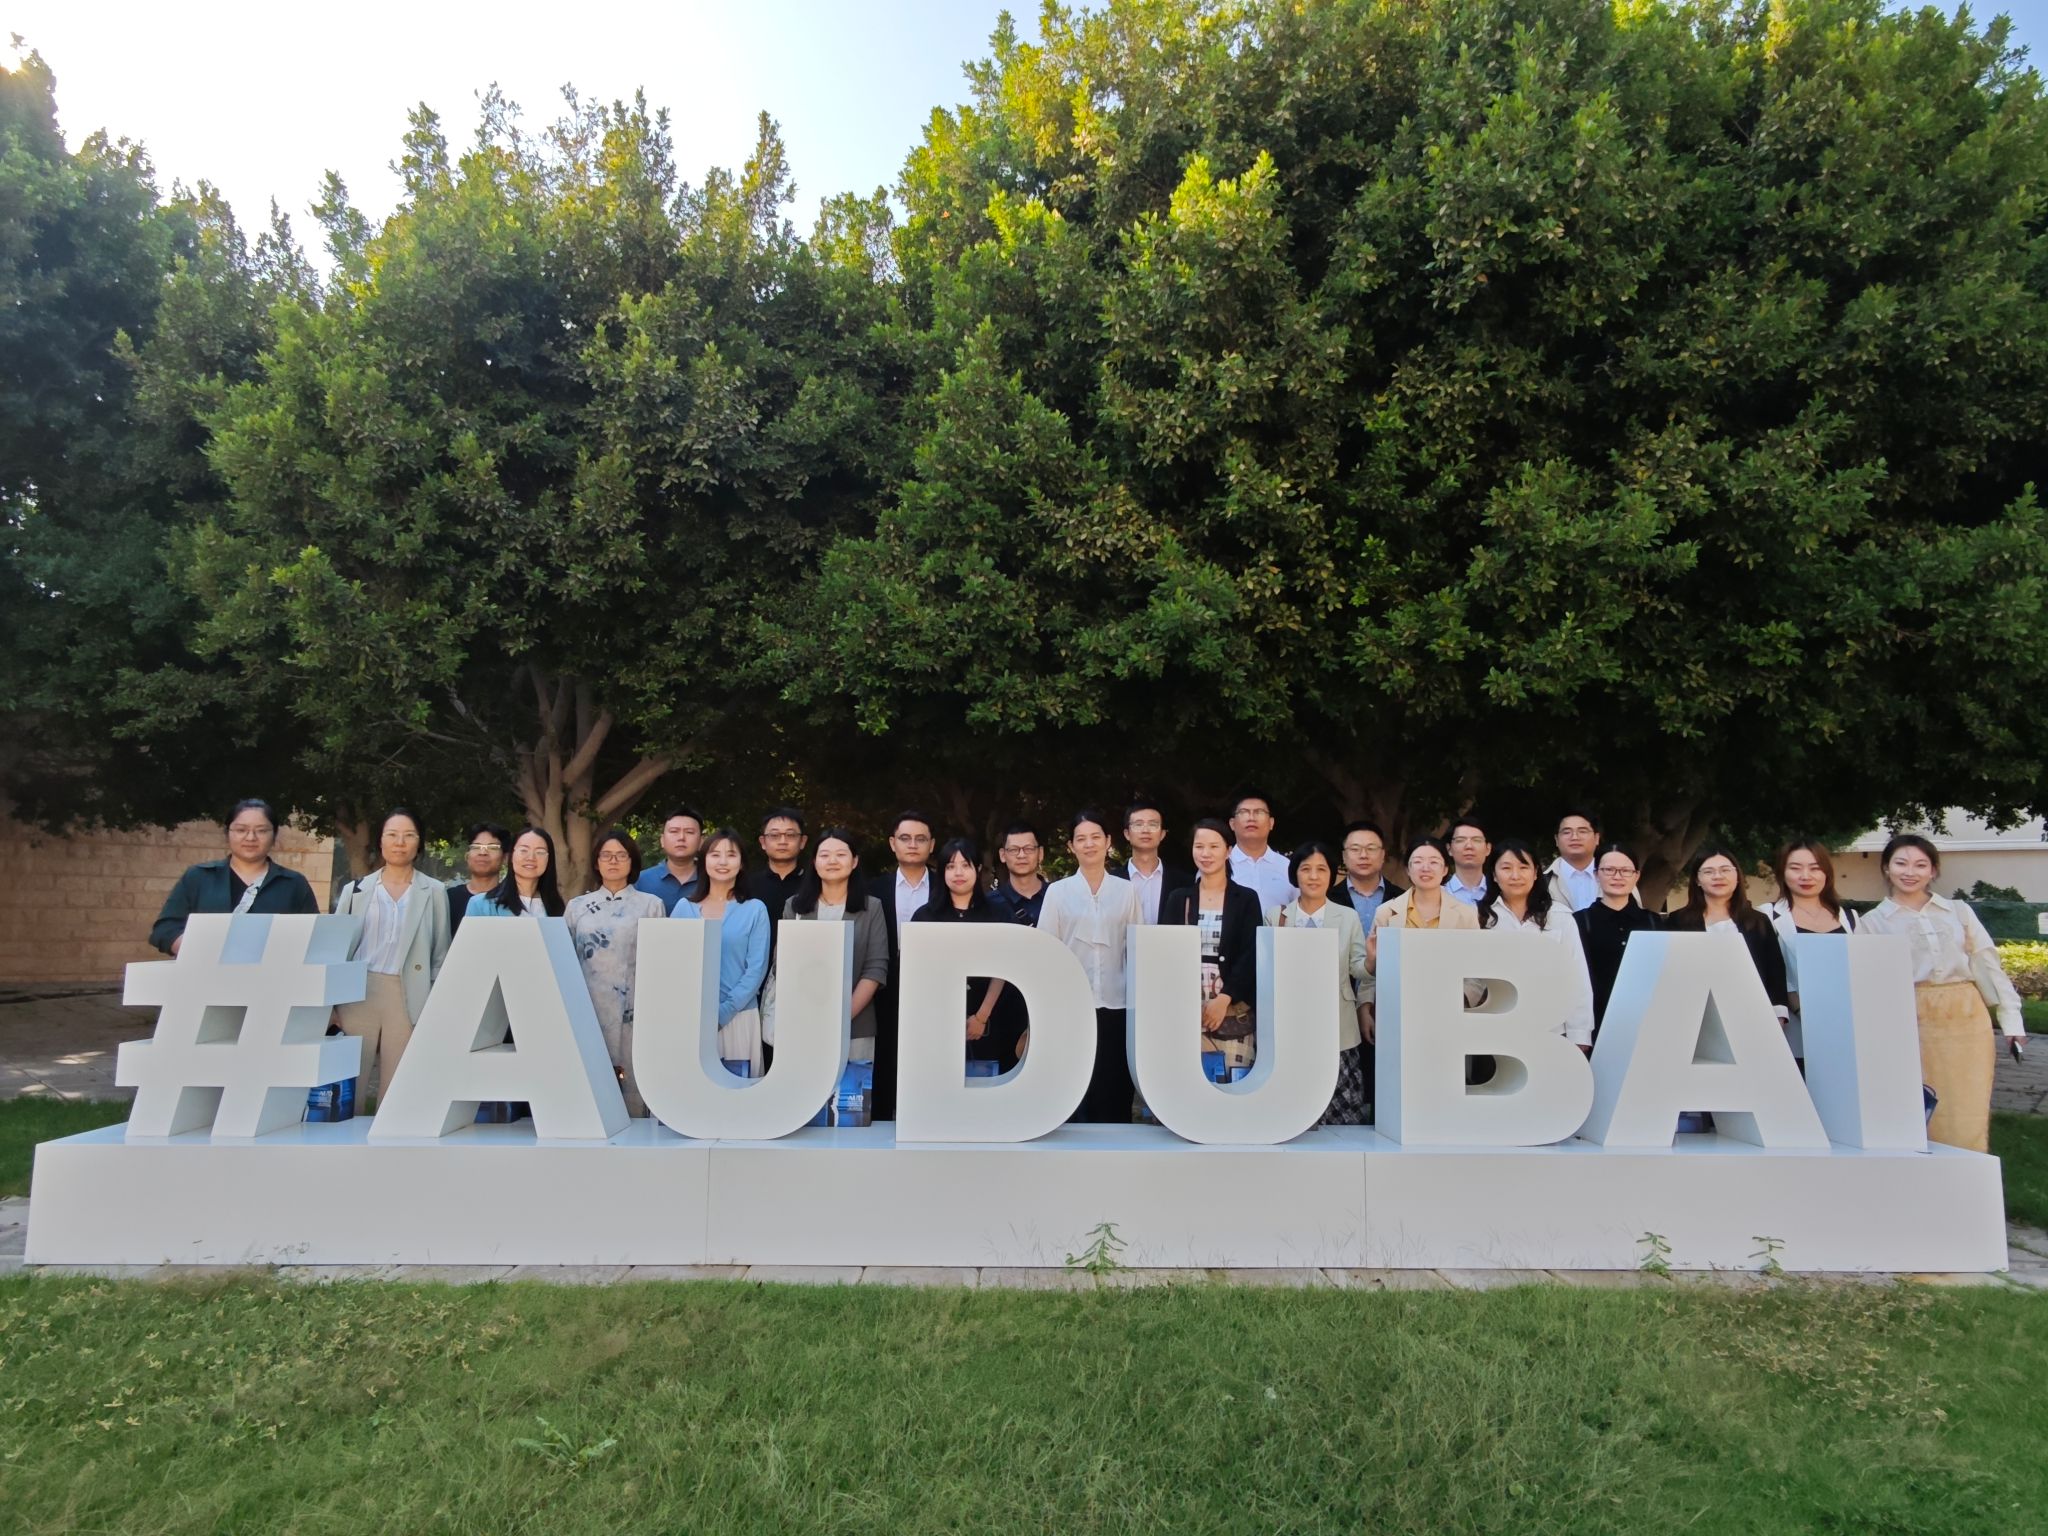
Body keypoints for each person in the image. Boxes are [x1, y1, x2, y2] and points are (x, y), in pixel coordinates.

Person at [1861, 833, 2027, 1154]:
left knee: (1969, 1103)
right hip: (1911, 1016)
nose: (1910, 872)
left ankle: (1971, 1167)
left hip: (1967, 1014)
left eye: (1920, 865)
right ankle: (1925, 1171)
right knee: (1920, 1104)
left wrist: (2012, 1021)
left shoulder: (1958, 912)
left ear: (1933, 870)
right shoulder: (1873, 923)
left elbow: (1988, 963)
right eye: (1901, 863)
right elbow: (1868, 983)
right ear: (1886, 868)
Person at [330, 807, 453, 1107]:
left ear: (419, 843)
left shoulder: (435, 892)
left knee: (398, 1089)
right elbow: (336, 950)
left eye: (409, 835)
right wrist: (331, 1006)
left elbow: (440, 955)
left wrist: (433, 1005)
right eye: (392, 835)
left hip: (408, 993)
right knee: (349, 1083)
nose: (400, 842)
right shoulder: (355, 890)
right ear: (381, 841)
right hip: (359, 993)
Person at [1035, 810, 1145, 1122]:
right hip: (1072, 1007)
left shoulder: (1126, 891)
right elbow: (1046, 951)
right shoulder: (1057, 892)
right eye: (1081, 839)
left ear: (1108, 841)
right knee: (1074, 1093)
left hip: (1117, 1004)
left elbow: (1137, 949)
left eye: (1096, 837)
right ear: (1071, 846)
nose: (1089, 844)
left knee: (1113, 1091)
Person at [564, 828, 669, 1113]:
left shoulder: (651, 905)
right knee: (591, 1082)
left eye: (621, 855)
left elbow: (660, 961)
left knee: (633, 1079)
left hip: (634, 1008)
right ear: (596, 862)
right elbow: (566, 959)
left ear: (632, 862)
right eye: (606, 855)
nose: (613, 861)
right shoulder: (577, 907)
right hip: (588, 1005)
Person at [772, 829, 890, 1071]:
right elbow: (782, 963)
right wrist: (815, 1016)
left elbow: (876, 968)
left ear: (854, 861)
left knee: (851, 1093)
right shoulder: (794, 906)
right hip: (803, 1023)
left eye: (841, 854)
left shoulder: (872, 907)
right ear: (814, 862)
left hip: (856, 1025)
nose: (832, 861)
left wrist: (841, 1017)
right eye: (824, 855)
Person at [1270, 840, 1371, 1123]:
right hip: (1291, 1022)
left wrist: (1372, 961)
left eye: (1321, 869)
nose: (1313, 876)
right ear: (1295, 874)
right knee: (1293, 1106)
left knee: (1340, 1111)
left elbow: (1358, 968)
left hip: (1337, 1022)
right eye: (1306, 869)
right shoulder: (1276, 916)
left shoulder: (1348, 917)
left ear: (1332, 874)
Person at [150, 798, 321, 955]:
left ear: (274, 835)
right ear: (227, 833)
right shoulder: (198, 877)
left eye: (261, 831)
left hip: (272, 975)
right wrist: (197, 950)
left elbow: (315, 936)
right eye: (241, 830)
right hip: (206, 974)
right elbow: (165, 929)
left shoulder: (293, 883)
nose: (250, 837)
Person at [1162, 818, 1267, 1074]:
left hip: (1232, 1008)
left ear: (1228, 851)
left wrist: (1224, 999)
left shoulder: (1246, 899)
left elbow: (1251, 954)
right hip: (1186, 1007)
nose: (1205, 853)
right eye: (1199, 846)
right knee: (1184, 1081)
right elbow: (1165, 953)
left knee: (1231, 1082)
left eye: (1214, 846)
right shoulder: (1178, 898)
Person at [912, 837, 1025, 1070]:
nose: (958, 873)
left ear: (978, 869)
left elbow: (1005, 966)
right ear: (942, 872)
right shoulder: (925, 917)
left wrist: (982, 1016)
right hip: (937, 1022)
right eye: (950, 866)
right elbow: (917, 974)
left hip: (990, 1018)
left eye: (965, 865)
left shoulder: (998, 913)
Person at [1478, 838, 1595, 1050]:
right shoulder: (1479, 918)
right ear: (1494, 875)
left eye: (1523, 867)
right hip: (1495, 1030)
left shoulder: (1559, 917)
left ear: (1535, 873)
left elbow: (1577, 977)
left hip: (1551, 1031)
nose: (1515, 875)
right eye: (1506, 868)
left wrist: (1580, 1034)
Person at [671, 831, 772, 1077]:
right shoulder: (684, 908)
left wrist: (721, 1014)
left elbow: (756, 970)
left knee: (739, 1093)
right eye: (715, 854)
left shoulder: (755, 910)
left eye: (731, 855)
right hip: (691, 1019)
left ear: (742, 863)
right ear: (703, 860)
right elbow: (672, 965)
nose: (723, 862)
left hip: (738, 1015)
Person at [1761, 839, 1860, 1062]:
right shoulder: (1767, 916)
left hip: (1848, 1026)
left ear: (1827, 873)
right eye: (1795, 868)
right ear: (1782, 873)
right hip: (1794, 1030)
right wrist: (1801, 1010)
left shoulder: (1850, 918)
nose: (1806, 876)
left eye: (1815, 868)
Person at [866, 810, 936, 1121]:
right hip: (884, 986)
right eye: (905, 838)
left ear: (931, 845)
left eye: (920, 839)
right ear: (892, 843)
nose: (913, 845)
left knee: (928, 1058)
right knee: (885, 1058)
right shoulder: (873, 889)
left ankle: (925, 1121)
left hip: (932, 988)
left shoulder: (945, 886)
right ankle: (882, 1122)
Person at [1574, 843, 1662, 1033]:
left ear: (1636, 876)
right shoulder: (1579, 921)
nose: (1617, 876)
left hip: (1645, 1021)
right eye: (1609, 870)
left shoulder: (1653, 921)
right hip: (1596, 1022)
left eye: (1625, 870)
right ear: (1596, 875)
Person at [1368, 836, 1480, 974]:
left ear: (1445, 869)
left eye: (1434, 862)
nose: (1425, 868)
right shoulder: (1385, 912)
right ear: (1408, 869)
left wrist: (1463, 990)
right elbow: (1375, 973)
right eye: (1417, 862)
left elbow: (1475, 970)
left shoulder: (1466, 915)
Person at [1116, 798, 1193, 925]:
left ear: (1162, 834)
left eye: (1153, 824)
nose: (1145, 830)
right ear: (1127, 834)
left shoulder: (1184, 882)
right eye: (1138, 824)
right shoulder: (1111, 881)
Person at [466, 826, 567, 919]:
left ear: (549, 859)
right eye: (524, 850)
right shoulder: (481, 905)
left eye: (540, 852)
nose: (531, 858)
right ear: (511, 856)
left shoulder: (558, 907)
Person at [1226, 790, 1297, 911]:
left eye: (1259, 812)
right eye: (1244, 812)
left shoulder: (1287, 867)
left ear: (1271, 823)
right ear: (1232, 824)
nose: (1251, 818)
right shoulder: (1218, 865)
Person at [742, 807, 808, 934]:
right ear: (763, 842)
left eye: (790, 835)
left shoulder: (814, 884)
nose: (782, 841)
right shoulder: (747, 885)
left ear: (802, 841)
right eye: (774, 835)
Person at [446, 821, 510, 940]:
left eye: (492, 847)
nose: (482, 853)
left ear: (505, 858)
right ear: (467, 856)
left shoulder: (511, 901)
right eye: (476, 847)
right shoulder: (447, 898)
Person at [633, 806, 706, 908]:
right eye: (674, 831)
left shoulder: (712, 880)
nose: (681, 837)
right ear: (662, 840)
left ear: (701, 841)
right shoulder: (640, 881)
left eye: (689, 832)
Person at [1337, 820, 1399, 928]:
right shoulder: (1328, 899)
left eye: (1371, 848)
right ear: (1344, 856)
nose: (1363, 855)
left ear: (1383, 855)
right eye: (1355, 849)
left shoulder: (1402, 898)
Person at [987, 821, 1049, 926]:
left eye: (1028, 849)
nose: (1021, 855)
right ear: (1002, 855)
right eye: (1013, 850)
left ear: (1040, 853)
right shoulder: (989, 904)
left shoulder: (1058, 897)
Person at [1545, 809, 1602, 913]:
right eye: (1567, 832)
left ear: (1597, 838)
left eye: (1582, 831)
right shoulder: (1541, 880)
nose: (1574, 837)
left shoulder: (1619, 877)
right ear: (1556, 840)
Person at [1445, 819, 1491, 905]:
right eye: (1460, 840)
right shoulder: (1438, 894)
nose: (1469, 846)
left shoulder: (1502, 893)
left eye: (1476, 840)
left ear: (1488, 849)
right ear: (1449, 849)